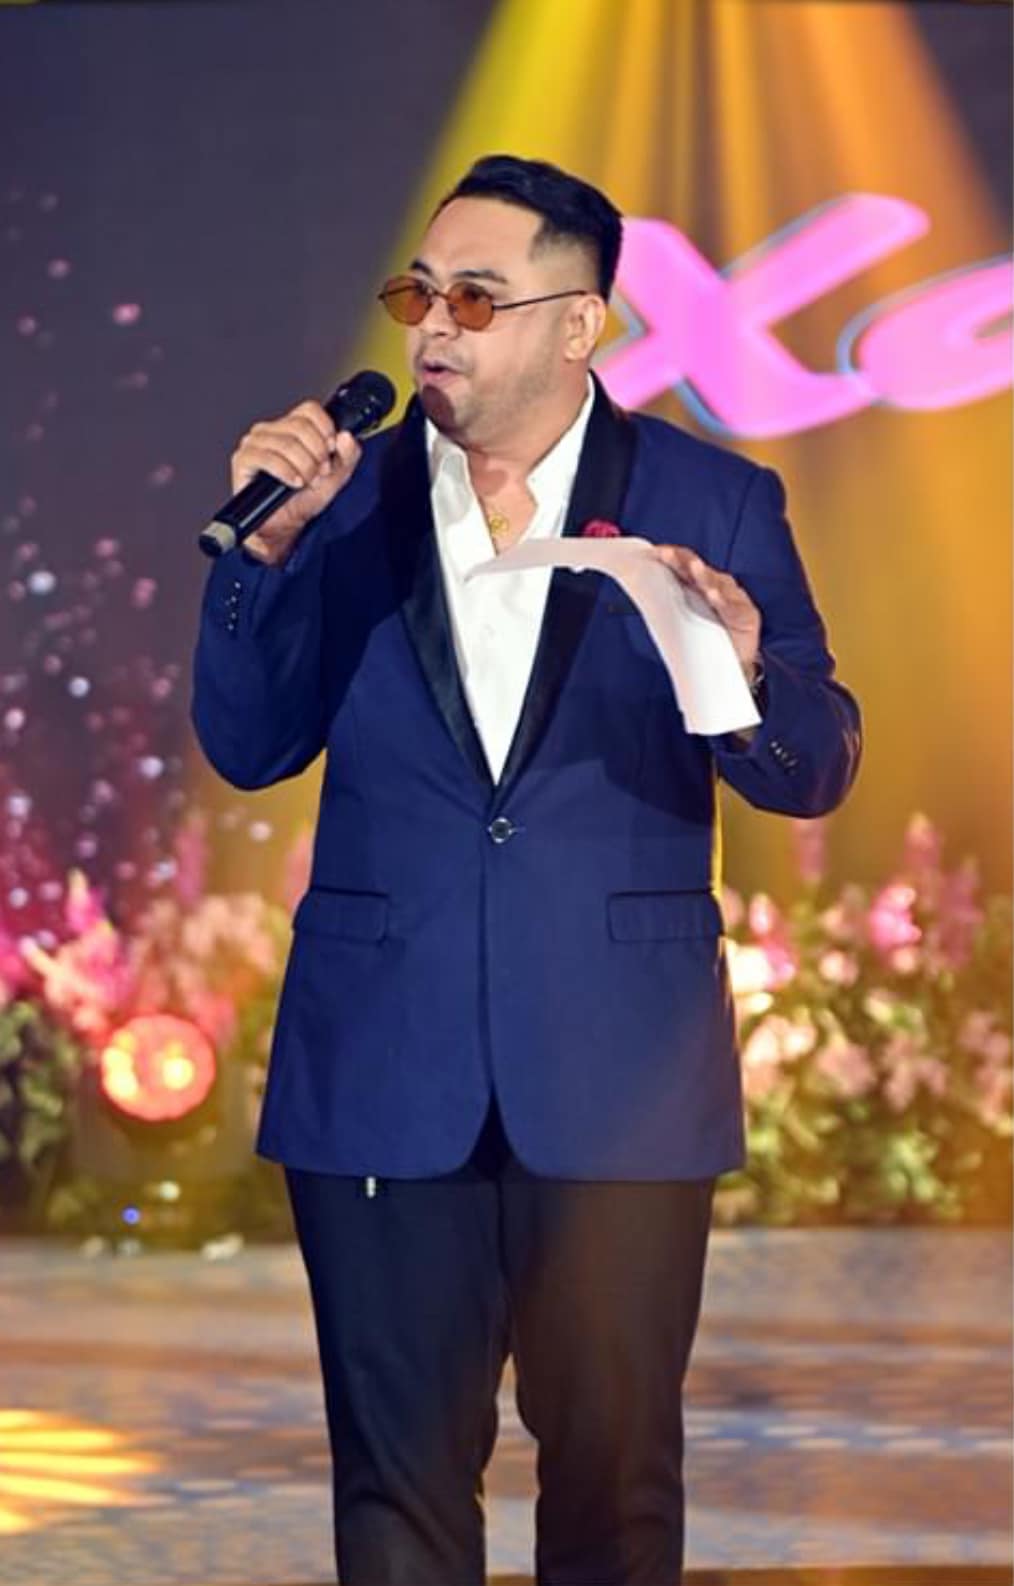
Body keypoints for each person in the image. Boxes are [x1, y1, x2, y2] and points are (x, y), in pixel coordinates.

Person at [192, 154, 861, 1586]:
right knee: (396, 1492)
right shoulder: (344, 504)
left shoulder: (712, 500)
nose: (434, 325)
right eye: (419, 293)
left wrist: (744, 678)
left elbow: (813, 769)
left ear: (579, 326)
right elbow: (248, 747)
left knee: (615, 1490)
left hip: (620, 1077)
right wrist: (260, 556)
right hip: (382, 1064)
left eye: (477, 298)